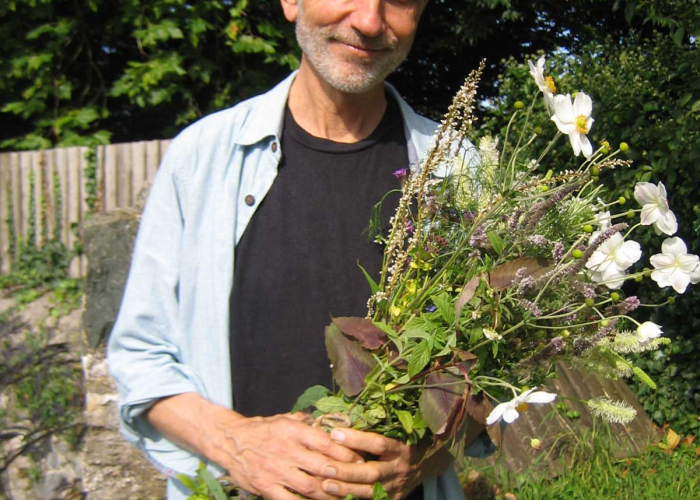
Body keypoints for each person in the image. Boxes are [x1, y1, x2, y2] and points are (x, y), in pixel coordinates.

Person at [108, 1, 487, 499]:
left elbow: (493, 372)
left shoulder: (458, 171)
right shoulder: (200, 159)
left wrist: (423, 459)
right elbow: (141, 357)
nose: (370, 21)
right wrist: (235, 443)